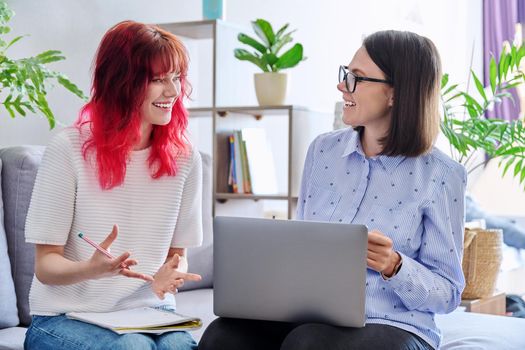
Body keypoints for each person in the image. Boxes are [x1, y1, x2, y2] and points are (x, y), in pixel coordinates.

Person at [199, 30, 467, 350]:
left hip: (394, 324)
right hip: (310, 317)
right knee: (223, 334)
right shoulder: (323, 151)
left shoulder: (441, 174)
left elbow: (448, 293)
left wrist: (394, 265)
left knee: (308, 343)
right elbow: (302, 246)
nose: (342, 86)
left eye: (357, 78)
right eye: (345, 74)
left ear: (395, 93)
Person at [23, 20, 203, 350]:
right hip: (64, 317)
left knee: (179, 347)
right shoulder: (68, 148)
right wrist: (91, 269)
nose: (173, 92)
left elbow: (179, 255)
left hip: (149, 312)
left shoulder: (186, 159)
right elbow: (46, 266)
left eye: (176, 77)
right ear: (122, 83)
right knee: (132, 348)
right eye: (158, 80)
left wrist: (171, 274)